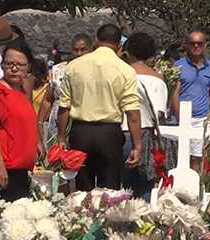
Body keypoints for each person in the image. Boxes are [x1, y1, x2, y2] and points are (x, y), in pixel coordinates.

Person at [57, 24, 142, 191]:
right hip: (109, 134)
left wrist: (61, 138)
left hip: (80, 132)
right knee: (109, 190)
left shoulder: (74, 66)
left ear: (96, 41)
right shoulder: (125, 70)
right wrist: (137, 146)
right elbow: (132, 112)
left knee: (82, 189)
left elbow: (64, 107)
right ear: (119, 45)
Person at [0, 40, 38, 202]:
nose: (14, 69)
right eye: (9, 64)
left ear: (28, 66)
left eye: (20, 64)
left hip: (21, 170)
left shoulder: (21, 91)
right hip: (6, 171)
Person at [121, 32, 168, 202]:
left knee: (125, 186)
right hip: (148, 135)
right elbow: (160, 114)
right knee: (146, 186)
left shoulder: (122, 74)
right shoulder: (159, 80)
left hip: (124, 132)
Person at [36, 33, 93, 158]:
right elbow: (47, 99)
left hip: (82, 121)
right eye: (76, 50)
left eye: (83, 50)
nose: (79, 53)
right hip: (57, 122)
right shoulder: (59, 70)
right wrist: (39, 122)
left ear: (91, 50)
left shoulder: (97, 71)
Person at [172, 31, 210, 171]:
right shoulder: (178, 65)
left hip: (201, 118)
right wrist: (179, 117)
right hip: (181, 118)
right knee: (180, 157)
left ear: (205, 45)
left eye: (199, 43)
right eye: (192, 43)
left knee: (198, 158)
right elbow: (174, 93)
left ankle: (195, 190)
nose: (196, 46)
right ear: (187, 45)